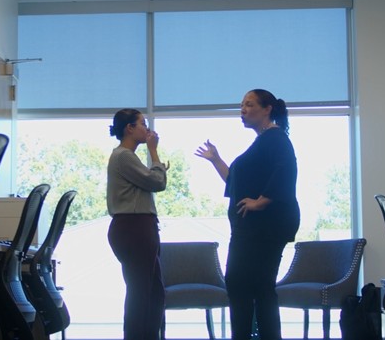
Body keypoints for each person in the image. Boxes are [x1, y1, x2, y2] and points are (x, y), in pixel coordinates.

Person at [195, 89, 300, 340]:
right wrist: (216, 159)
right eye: (241, 105)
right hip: (250, 229)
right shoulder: (261, 142)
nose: (243, 109)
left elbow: (287, 170)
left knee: (247, 285)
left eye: (249, 104)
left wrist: (262, 201)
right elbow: (234, 181)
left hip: (263, 228)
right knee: (250, 286)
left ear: (267, 109)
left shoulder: (275, 138)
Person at [107, 108, 169, 340]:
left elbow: (152, 179)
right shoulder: (124, 156)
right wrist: (154, 152)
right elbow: (157, 182)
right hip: (134, 228)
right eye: (142, 123)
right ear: (129, 128)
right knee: (142, 293)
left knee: (153, 292)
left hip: (137, 227)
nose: (148, 129)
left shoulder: (126, 157)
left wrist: (156, 169)